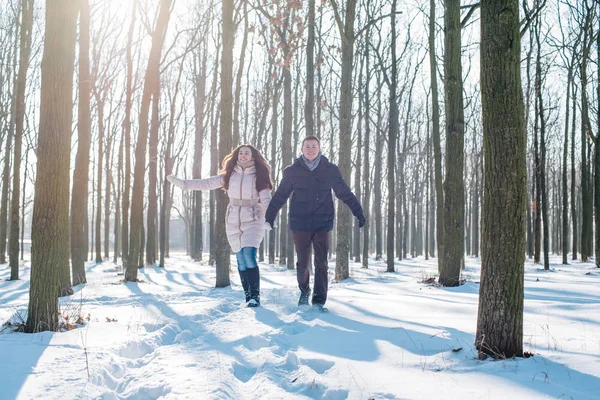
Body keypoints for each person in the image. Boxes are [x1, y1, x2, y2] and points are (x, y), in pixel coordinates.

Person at [265, 136, 365, 310]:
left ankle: (319, 300)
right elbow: (281, 195)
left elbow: (344, 193)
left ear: (319, 148)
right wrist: (269, 216)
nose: (310, 149)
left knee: (321, 262)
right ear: (302, 149)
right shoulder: (292, 171)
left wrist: (358, 212)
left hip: (322, 222)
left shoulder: (330, 170)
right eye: (307, 146)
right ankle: (304, 291)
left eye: (314, 146)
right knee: (302, 262)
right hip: (300, 223)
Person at [167, 144, 273, 307]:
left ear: (253, 157)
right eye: (241, 153)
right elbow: (205, 183)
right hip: (232, 219)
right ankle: (248, 296)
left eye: (247, 153)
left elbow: (266, 199)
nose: (243, 155)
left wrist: (268, 218)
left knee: (249, 255)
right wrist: (183, 184)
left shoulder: (260, 175)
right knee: (240, 259)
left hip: (253, 217)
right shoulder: (229, 175)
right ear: (237, 156)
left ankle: (255, 297)